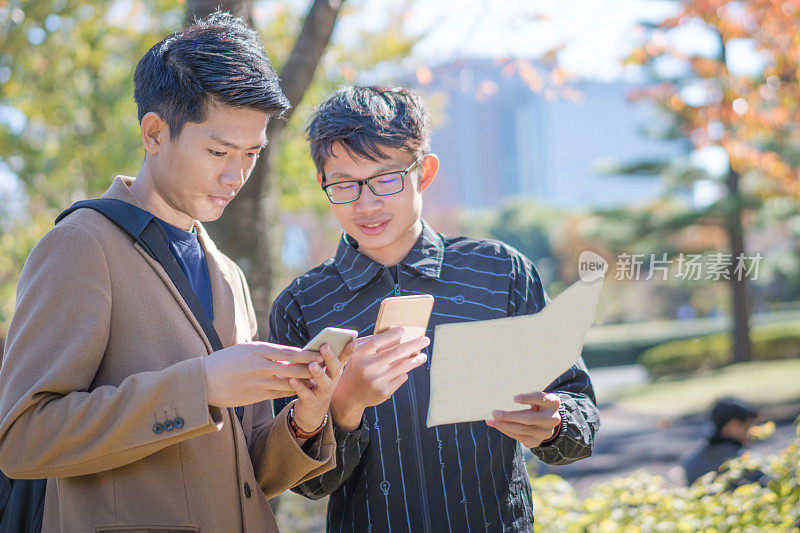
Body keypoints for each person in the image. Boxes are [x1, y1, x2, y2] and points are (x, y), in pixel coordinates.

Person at [0, 13, 381, 532]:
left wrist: (304, 418)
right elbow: (24, 440)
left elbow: (245, 473)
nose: (236, 176)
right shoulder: (81, 245)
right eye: (218, 151)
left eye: (251, 155)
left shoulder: (227, 273)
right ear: (155, 133)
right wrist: (199, 385)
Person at [270, 86, 600, 532]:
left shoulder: (500, 272)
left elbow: (580, 411)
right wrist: (346, 406)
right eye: (344, 185)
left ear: (424, 172)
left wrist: (556, 422)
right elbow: (304, 482)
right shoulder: (302, 306)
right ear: (322, 183)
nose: (366, 204)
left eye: (386, 179)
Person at [681, 396, 767, 486]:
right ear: (733, 426)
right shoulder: (748, 462)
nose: (753, 432)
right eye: (749, 426)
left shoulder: (691, 461)